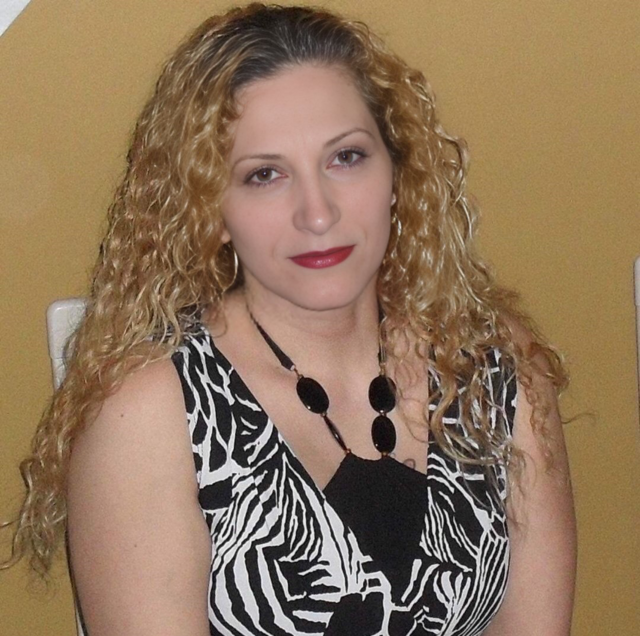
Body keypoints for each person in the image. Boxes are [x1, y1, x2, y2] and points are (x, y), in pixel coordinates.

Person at [4, 4, 576, 635]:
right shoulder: (149, 412)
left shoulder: (493, 364)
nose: (318, 212)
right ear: (211, 210)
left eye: (346, 157)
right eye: (265, 175)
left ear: (397, 173)